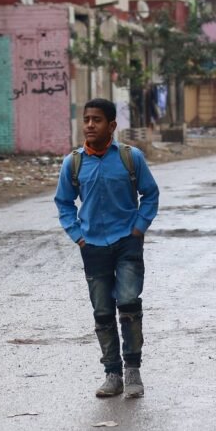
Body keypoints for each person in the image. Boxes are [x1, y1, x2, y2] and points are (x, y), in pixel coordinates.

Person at [55, 99, 160, 399]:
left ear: (112, 125)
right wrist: (78, 235)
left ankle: (133, 370)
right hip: (93, 247)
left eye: (97, 120)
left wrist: (139, 228)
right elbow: (64, 202)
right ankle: (112, 374)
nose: (89, 125)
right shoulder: (73, 163)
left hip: (127, 242)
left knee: (128, 303)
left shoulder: (130, 158)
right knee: (102, 311)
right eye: (86, 119)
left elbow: (150, 194)